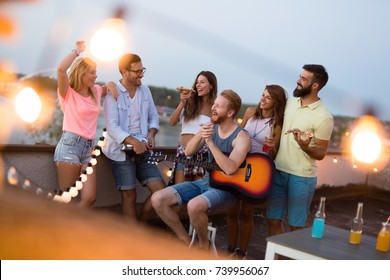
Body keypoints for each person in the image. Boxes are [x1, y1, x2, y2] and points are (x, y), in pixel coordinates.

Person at [151, 89, 251, 251]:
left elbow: (230, 168)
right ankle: (185, 238)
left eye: (218, 106)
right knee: (158, 199)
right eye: (214, 104)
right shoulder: (211, 126)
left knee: (194, 206)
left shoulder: (241, 136)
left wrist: (210, 142)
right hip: (206, 181)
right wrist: (200, 135)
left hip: (227, 189)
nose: (213, 108)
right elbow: (188, 152)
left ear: (231, 112)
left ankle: (203, 246)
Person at [266, 64, 334, 237]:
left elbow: (321, 152)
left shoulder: (324, 117)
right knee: (273, 220)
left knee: (295, 227)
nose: (298, 81)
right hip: (278, 170)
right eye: (300, 76)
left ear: (315, 86)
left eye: (304, 79)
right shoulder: (290, 103)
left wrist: (305, 146)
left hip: (301, 178)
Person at [102, 53, 165, 224]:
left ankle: (141, 226)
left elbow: (153, 117)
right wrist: (133, 142)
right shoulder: (112, 91)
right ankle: (132, 236)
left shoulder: (145, 90)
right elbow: (112, 127)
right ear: (124, 71)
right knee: (129, 195)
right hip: (119, 152)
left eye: (142, 70)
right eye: (137, 71)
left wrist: (151, 134)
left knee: (161, 192)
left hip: (143, 149)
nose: (141, 74)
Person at [54, 40, 117, 208]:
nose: (95, 76)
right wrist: (77, 51)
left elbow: (106, 87)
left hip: (88, 149)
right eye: (92, 73)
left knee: (89, 198)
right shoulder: (67, 93)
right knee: (66, 199)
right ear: (81, 73)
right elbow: (61, 69)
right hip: (69, 146)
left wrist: (110, 84)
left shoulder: (95, 91)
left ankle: (69, 228)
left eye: (95, 72)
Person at [226, 84, 287, 259]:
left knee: (246, 213)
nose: (263, 99)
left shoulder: (276, 124)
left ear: (276, 102)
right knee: (231, 210)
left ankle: (242, 253)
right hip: (238, 164)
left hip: (256, 171)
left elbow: (272, 155)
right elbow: (236, 134)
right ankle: (230, 249)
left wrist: (271, 146)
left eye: (268, 97)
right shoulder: (250, 113)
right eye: (262, 95)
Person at [169, 71, 217, 185]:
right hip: (183, 153)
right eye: (197, 82)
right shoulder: (189, 102)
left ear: (211, 86)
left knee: (197, 193)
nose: (198, 85)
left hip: (203, 155)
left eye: (202, 82)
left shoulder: (215, 107)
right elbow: (172, 122)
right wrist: (183, 102)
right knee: (179, 192)